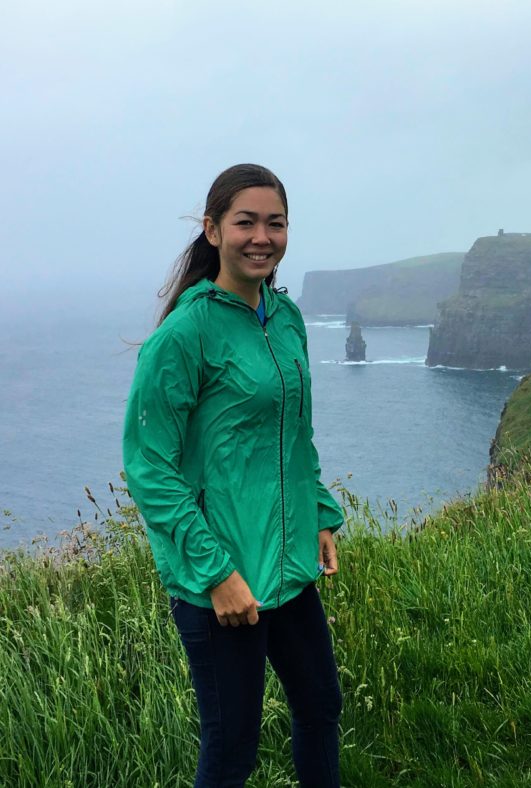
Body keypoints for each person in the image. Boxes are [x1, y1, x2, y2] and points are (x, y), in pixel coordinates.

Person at [123, 163, 345, 787]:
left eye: (275, 224)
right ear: (213, 230)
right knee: (232, 748)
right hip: (222, 579)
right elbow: (148, 467)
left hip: (290, 563)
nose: (261, 237)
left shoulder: (287, 318)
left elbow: (295, 435)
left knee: (322, 707)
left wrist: (321, 513)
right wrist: (216, 573)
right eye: (245, 222)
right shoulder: (186, 332)